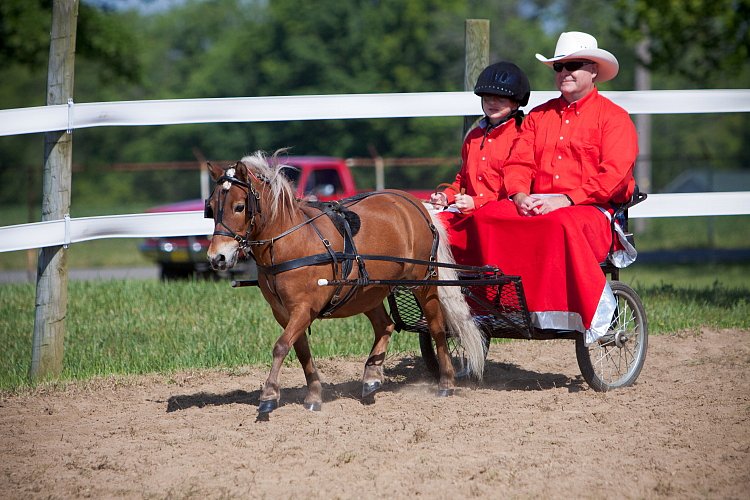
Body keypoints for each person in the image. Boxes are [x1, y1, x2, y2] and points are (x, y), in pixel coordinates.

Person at [470, 31, 638, 344]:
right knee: (487, 217)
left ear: (593, 70)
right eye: (558, 67)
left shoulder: (614, 119)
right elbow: (518, 164)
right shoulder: (538, 117)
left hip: (593, 209)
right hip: (538, 202)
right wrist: (520, 195)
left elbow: (613, 175)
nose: (564, 73)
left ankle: (596, 313)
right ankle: (490, 306)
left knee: (558, 222)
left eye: (572, 65)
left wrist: (565, 199)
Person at [430, 61, 530, 265]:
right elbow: (462, 180)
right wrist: (445, 196)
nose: (492, 102)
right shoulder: (473, 137)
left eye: (500, 98)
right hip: (470, 210)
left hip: (501, 214)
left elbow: (515, 187)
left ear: (516, 103)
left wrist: (477, 202)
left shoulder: (522, 135)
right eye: (487, 97)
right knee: (428, 225)